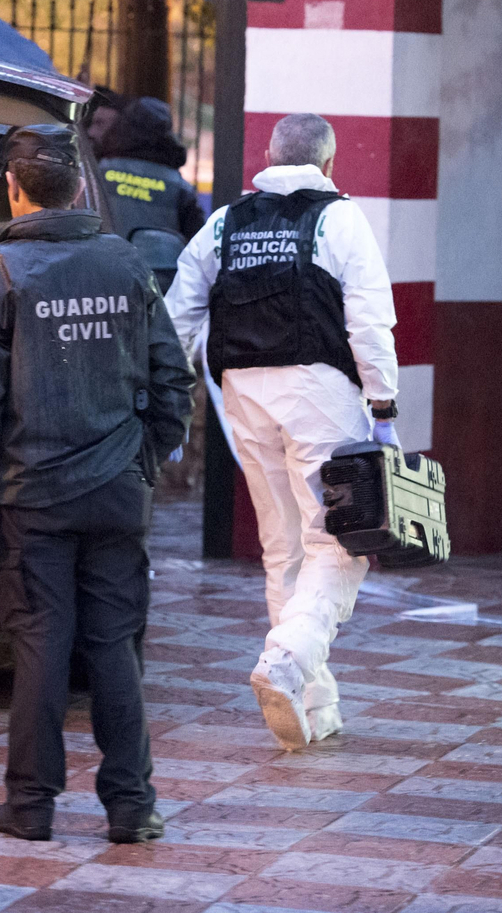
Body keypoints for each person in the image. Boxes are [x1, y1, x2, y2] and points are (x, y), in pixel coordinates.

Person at [0, 125, 195, 844]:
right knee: (114, 643)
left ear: (13, 191)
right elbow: (171, 377)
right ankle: (131, 805)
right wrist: (145, 456)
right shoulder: (125, 263)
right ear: (83, 188)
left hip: (32, 496)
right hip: (117, 491)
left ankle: (30, 806)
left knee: (42, 643)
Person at [165, 112, 398, 751]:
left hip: (243, 395)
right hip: (319, 392)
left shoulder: (224, 224)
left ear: (266, 158)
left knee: (284, 547)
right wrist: (383, 409)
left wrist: (166, 403)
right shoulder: (340, 218)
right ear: (328, 166)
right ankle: (287, 658)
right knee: (339, 546)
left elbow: (176, 321)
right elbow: (371, 323)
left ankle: (311, 705)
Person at [96, 96, 207, 291]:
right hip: (159, 283)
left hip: (105, 274)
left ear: (123, 126)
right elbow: (198, 244)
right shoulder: (178, 185)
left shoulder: (100, 172)